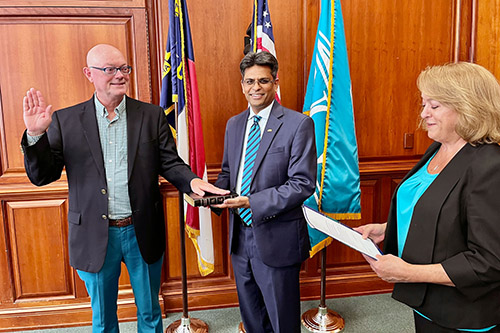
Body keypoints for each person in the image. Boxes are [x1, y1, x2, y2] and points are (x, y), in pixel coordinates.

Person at [21, 44, 227, 333]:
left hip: (140, 230)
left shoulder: (151, 115)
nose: (119, 75)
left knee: (150, 313)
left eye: (123, 68)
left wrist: (192, 181)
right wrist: (35, 135)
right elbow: (43, 176)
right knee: (103, 319)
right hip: (94, 234)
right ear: (89, 74)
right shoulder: (65, 121)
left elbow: (170, 163)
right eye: (110, 69)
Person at [355, 62, 500, 332]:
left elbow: (489, 262)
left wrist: (408, 273)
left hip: (462, 313)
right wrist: (388, 229)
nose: (424, 114)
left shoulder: (489, 164)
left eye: (434, 106)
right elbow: (442, 211)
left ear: (468, 106)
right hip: (428, 303)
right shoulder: (439, 147)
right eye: (424, 105)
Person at [213, 51, 317, 333]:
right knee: (252, 317)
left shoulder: (299, 124)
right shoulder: (234, 125)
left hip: (277, 238)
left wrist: (252, 202)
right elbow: (227, 174)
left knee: (282, 320)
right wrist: (209, 192)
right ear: (242, 85)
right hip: (240, 237)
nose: (255, 88)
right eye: (249, 81)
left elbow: (302, 183)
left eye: (263, 81)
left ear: (275, 83)